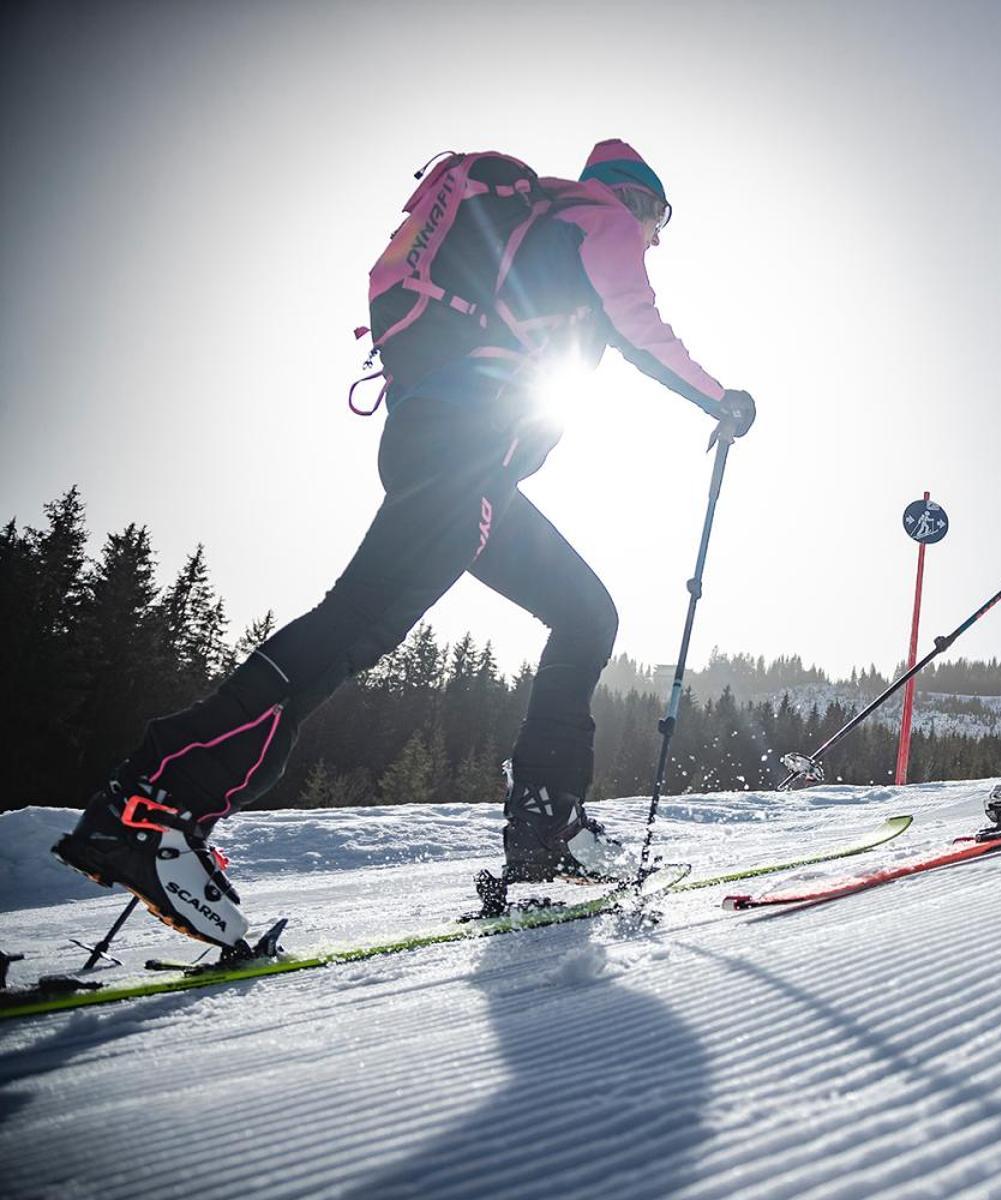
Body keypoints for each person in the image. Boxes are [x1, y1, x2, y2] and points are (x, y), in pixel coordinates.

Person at [52, 139, 756, 953]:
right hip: (466, 454)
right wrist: (722, 399)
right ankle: (156, 802)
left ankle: (546, 823)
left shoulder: (538, 221)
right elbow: (641, 327)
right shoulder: (601, 220)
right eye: (659, 216)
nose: (657, 237)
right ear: (633, 198)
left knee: (584, 612)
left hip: (451, 450)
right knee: (358, 624)